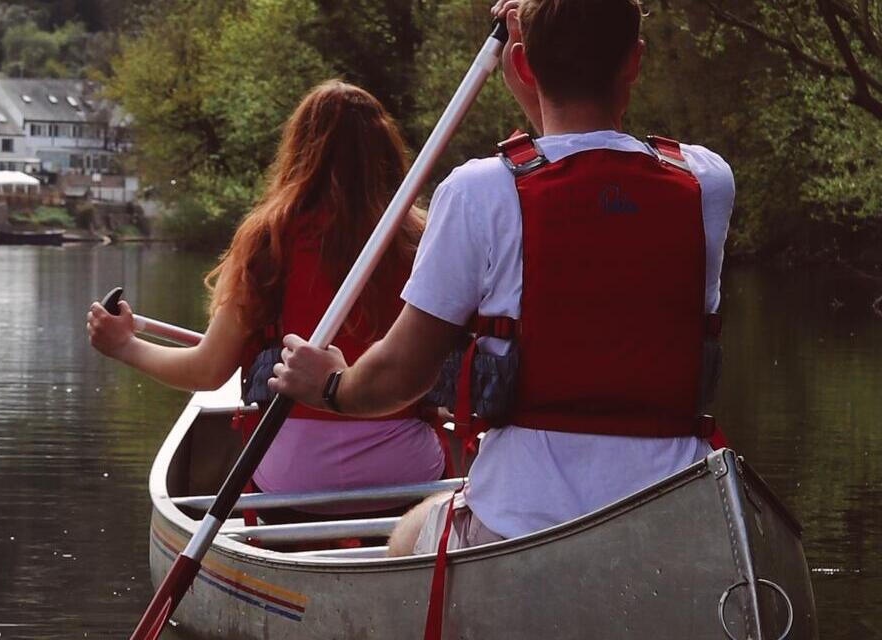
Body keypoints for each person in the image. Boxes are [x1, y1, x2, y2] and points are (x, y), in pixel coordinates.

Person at [268, 0, 733, 556]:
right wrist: (540, 73)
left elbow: (398, 375)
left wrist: (331, 386)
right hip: (672, 514)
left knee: (413, 530)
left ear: (525, 67)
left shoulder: (478, 191)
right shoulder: (706, 182)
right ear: (634, 61)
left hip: (520, 523)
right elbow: (585, 167)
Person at [86, 81, 445, 522]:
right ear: (387, 154)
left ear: (297, 151)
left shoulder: (268, 240)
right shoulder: (424, 239)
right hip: (408, 476)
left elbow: (208, 369)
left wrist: (124, 345)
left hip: (293, 479)